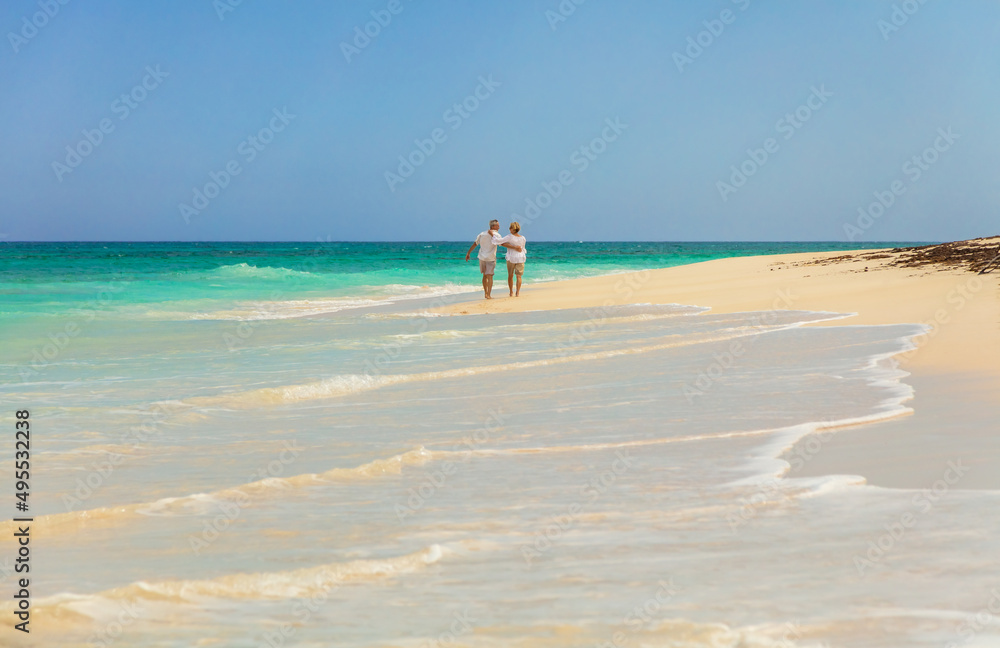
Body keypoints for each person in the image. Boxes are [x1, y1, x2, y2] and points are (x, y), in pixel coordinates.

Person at [465, 220, 522, 299]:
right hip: (491, 258)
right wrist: (515, 247)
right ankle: (488, 295)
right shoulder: (497, 235)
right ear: (493, 226)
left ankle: (485, 294)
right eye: (498, 225)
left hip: (482, 257)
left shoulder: (482, 234)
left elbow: (475, 244)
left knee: (484, 275)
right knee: (490, 276)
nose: (499, 227)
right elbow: (502, 243)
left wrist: (468, 253)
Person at [497, 221, 527, 297]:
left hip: (511, 257)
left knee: (510, 275)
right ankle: (517, 293)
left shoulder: (509, 236)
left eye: (510, 227)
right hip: (521, 257)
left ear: (512, 229)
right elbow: (522, 248)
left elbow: (500, 243)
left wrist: (493, 236)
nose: (509, 229)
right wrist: (516, 247)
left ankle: (511, 292)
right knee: (519, 276)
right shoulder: (523, 238)